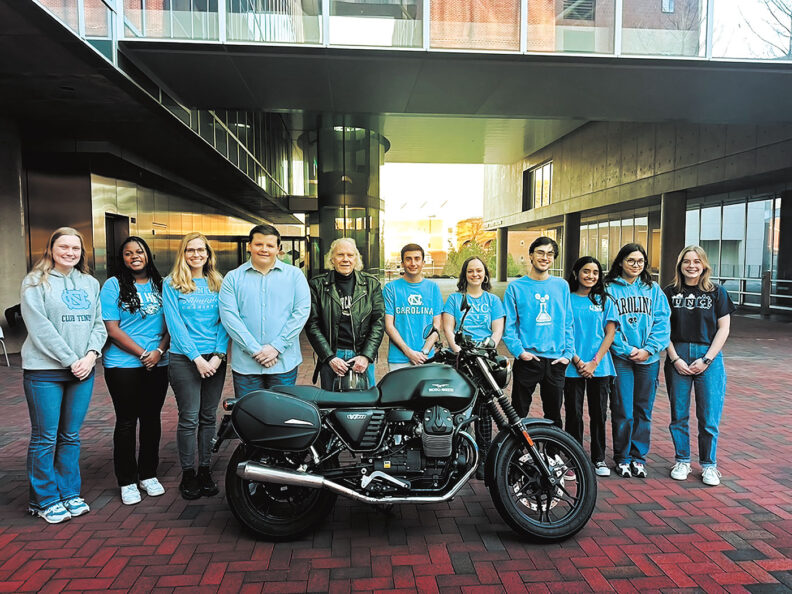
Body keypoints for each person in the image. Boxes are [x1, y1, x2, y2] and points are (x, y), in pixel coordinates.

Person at [20, 227, 107, 523]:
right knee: (45, 437)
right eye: (64, 247)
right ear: (51, 249)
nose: (70, 252)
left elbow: (99, 323)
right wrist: (72, 360)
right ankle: (43, 499)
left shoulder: (90, 283)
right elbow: (40, 328)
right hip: (44, 371)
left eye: (75, 248)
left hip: (82, 370)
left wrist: (92, 355)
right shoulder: (35, 282)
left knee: (70, 436)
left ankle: (69, 493)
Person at [101, 236, 170, 505]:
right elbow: (112, 328)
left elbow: (171, 325)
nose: (134, 256)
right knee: (127, 421)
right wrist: (142, 353)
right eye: (128, 253)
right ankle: (127, 480)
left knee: (152, 418)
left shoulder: (161, 285)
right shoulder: (113, 285)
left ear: (147, 254)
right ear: (123, 258)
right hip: (123, 364)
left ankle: (148, 474)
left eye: (139, 251)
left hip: (158, 361)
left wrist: (159, 351)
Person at [163, 232, 229, 500]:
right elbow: (175, 325)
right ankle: (188, 473)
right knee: (189, 418)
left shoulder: (219, 282)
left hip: (214, 359)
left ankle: (205, 470)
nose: (196, 255)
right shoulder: (171, 283)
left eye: (201, 250)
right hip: (184, 359)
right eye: (190, 250)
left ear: (209, 253)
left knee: (207, 416)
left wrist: (218, 355)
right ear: (183, 253)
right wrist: (196, 358)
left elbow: (225, 321)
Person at [664, 246, 735, 486]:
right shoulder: (669, 292)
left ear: (704, 264)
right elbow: (663, 330)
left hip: (709, 356)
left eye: (696, 261)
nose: (691, 265)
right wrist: (675, 359)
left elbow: (724, 328)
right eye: (686, 261)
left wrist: (707, 359)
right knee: (679, 414)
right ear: (680, 265)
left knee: (708, 415)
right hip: (679, 354)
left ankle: (709, 465)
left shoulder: (718, 292)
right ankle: (682, 460)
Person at [219, 224, 310, 397]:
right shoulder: (233, 278)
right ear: (249, 246)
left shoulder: (295, 275)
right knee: (248, 416)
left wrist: (276, 347)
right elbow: (229, 318)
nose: (264, 249)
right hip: (247, 366)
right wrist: (255, 350)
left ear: (278, 249)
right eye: (259, 244)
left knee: (282, 414)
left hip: (284, 363)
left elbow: (300, 313)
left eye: (270, 245)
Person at [604, 243, 670, 479]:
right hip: (621, 359)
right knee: (623, 410)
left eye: (640, 261)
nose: (635, 265)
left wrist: (648, 349)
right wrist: (627, 348)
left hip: (648, 359)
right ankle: (622, 457)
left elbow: (663, 323)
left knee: (643, 410)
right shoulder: (609, 288)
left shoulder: (653, 289)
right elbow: (607, 324)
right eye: (631, 260)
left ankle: (638, 457)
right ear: (621, 262)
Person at [442, 256, 505, 478]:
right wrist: (456, 348)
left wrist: (488, 350)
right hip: (460, 360)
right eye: (470, 271)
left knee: (484, 410)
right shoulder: (455, 299)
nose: (475, 274)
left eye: (479, 271)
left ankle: (484, 460)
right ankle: (457, 458)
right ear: (465, 275)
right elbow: (448, 328)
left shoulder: (493, 301)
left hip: (483, 361)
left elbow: (497, 330)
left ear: (485, 274)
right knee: (458, 409)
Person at [502, 236, 574, 427]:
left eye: (550, 254)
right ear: (531, 256)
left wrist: (568, 354)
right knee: (518, 413)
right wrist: (519, 352)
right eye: (540, 252)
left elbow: (568, 322)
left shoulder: (562, 286)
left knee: (554, 415)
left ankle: (552, 454)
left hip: (556, 360)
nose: (545, 257)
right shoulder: (516, 287)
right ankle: (515, 454)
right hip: (528, 359)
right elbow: (509, 326)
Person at [305, 238, 385, 390]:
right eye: (340, 255)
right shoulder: (317, 285)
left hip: (361, 354)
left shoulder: (371, 284)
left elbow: (378, 322)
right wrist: (329, 357)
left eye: (350, 255)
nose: (345, 259)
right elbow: (312, 324)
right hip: (331, 355)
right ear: (332, 259)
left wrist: (366, 356)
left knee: (365, 405)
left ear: (356, 259)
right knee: (331, 405)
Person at [564, 256, 618, 478]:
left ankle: (598, 458)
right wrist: (577, 360)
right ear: (576, 273)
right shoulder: (566, 299)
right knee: (573, 415)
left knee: (598, 414)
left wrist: (594, 362)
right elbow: (563, 332)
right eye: (586, 271)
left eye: (595, 272)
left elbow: (610, 333)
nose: (590, 276)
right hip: (572, 366)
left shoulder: (604, 300)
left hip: (600, 366)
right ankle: (573, 460)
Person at [383, 244, 443, 371]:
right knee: (400, 391)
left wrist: (425, 352)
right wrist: (409, 352)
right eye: (408, 259)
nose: (413, 263)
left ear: (423, 262)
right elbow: (388, 325)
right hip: (399, 359)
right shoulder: (391, 288)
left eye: (417, 258)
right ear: (402, 263)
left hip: (427, 358)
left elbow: (437, 325)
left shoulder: (433, 288)